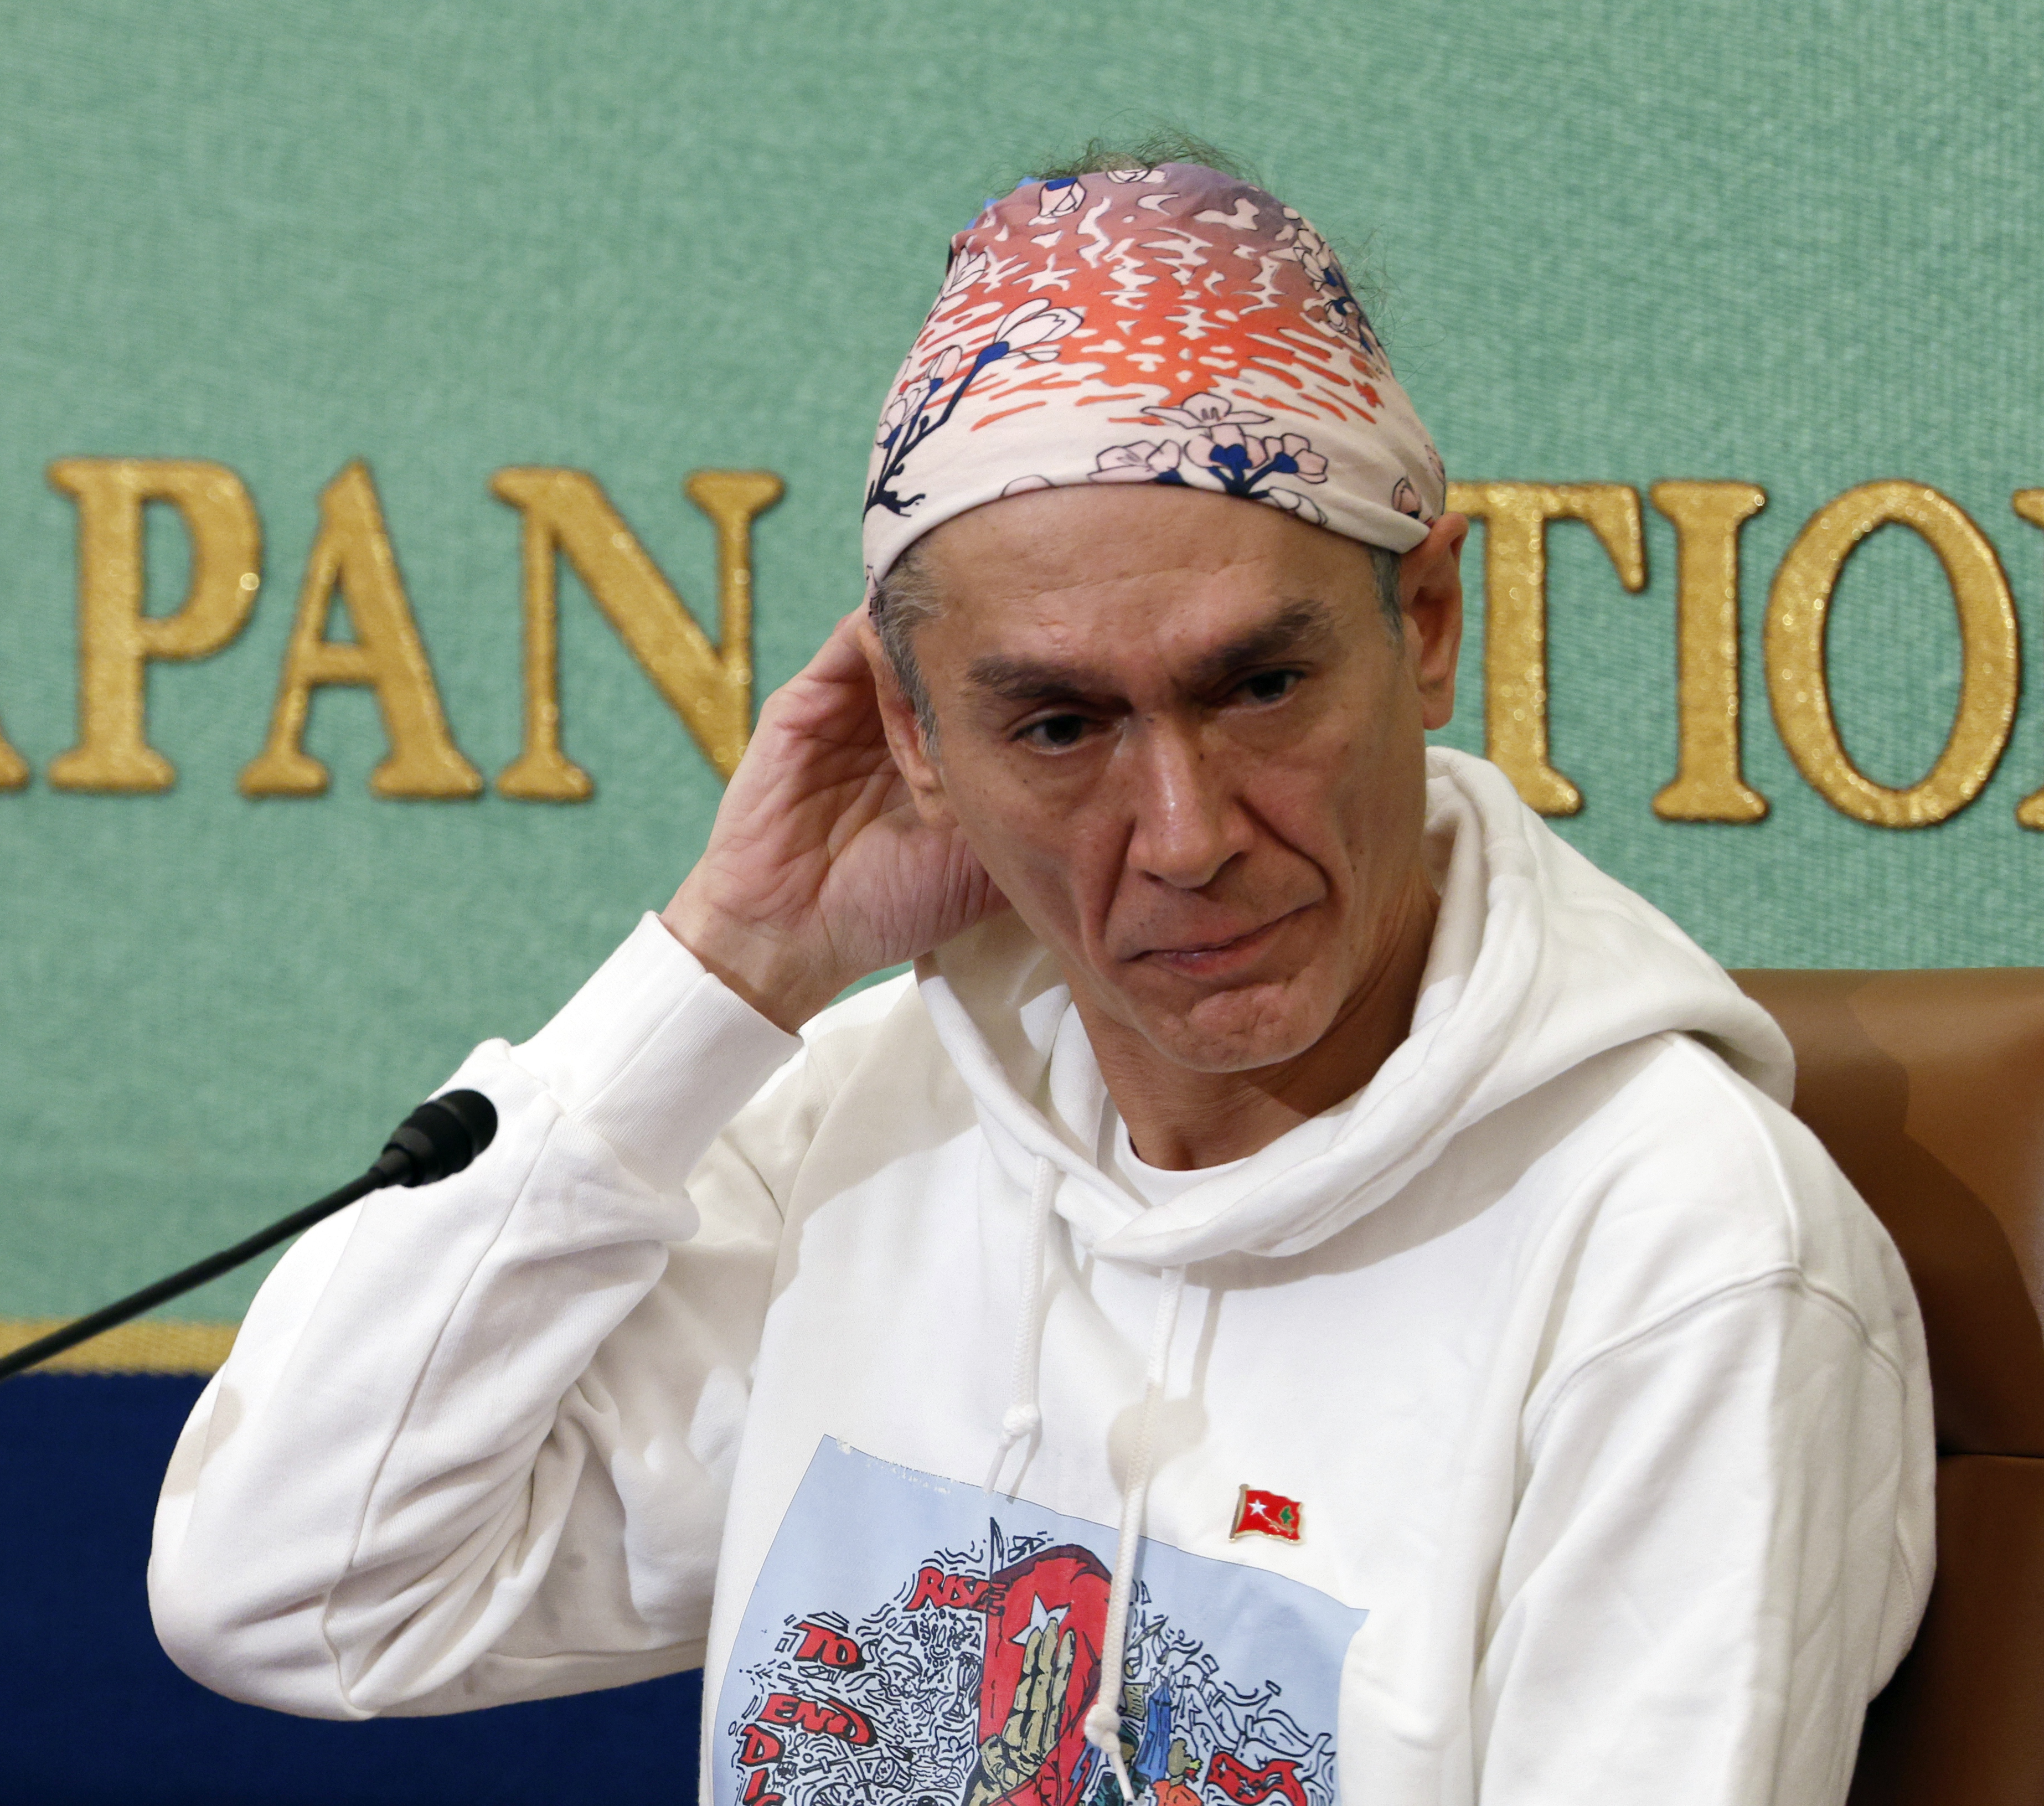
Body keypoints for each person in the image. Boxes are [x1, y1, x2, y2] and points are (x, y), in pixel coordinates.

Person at [149, 147, 1934, 1806]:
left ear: (1431, 627)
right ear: (915, 747)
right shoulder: (870, 1135)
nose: (1182, 835)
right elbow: (292, 1596)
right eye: (1060, 725)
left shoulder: (1687, 1251)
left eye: (1257, 688)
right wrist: (725, 971)